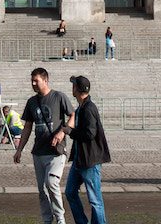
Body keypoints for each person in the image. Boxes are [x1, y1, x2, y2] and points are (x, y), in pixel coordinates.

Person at [13, 67, 73, 224]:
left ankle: (60, 218)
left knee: (52, 183)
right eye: (32, 81)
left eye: (36, 81)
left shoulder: (59, 97)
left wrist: (63, 132)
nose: (33, 83)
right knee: (42, 190)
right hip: (38, 152)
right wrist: (19, 149)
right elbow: (27, 127)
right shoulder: (31, 102)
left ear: (45, 80)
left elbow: (73, 115)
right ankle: (47, 219)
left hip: (56, 152)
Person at [65, 75, 110, 224]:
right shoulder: (82, 107)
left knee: (95, 199)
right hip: (80, 159)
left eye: (73, 85)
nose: (72, 88)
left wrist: (70, 131)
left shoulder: (89, 108)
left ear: (76, 89)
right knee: (70, 192)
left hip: (90, 160)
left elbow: (90, 133)